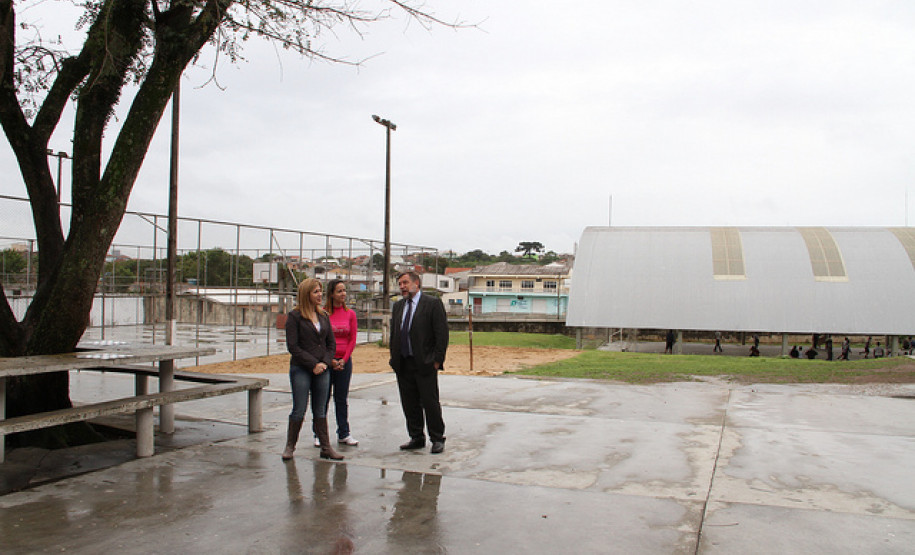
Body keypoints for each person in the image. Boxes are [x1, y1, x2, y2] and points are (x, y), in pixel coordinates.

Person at [282, 278, 343, 461]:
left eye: (320, 291)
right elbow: (293, 346)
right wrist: (313, 364)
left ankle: (326, 447)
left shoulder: (323, 316)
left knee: (320, 410)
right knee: (299, 409)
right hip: (301, 368)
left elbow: (330, 344)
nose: (319, 295)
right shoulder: (295, 317)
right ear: (306, 294)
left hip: (323, 369)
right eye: (316, 292)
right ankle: (290, 446)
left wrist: (324, 362)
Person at [389, 271, 449, 454]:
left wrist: (437, 360)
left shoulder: (432, 304)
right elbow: (394, 334)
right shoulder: (398, 306)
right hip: (403, 363)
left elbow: (441, 334)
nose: (402, 287)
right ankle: (416, 437)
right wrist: (394, 358)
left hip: (425, 363)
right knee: (409, 403)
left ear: (417, 283)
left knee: (430, 402)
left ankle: (437, 438)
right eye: (400, 284)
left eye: (405, 282)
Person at [322, 279, 359, 446]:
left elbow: (352, 339)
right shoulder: (322, 313)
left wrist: (343, 360)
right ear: (331, 294)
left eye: (344, 291)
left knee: (341, 398)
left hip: (344, 362)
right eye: (339, 291)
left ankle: (344, 433)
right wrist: (330, 361)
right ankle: (319, 434)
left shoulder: (350, 314)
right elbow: (319, 340)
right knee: (322, 398)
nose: (343, 294)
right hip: (326, 361)